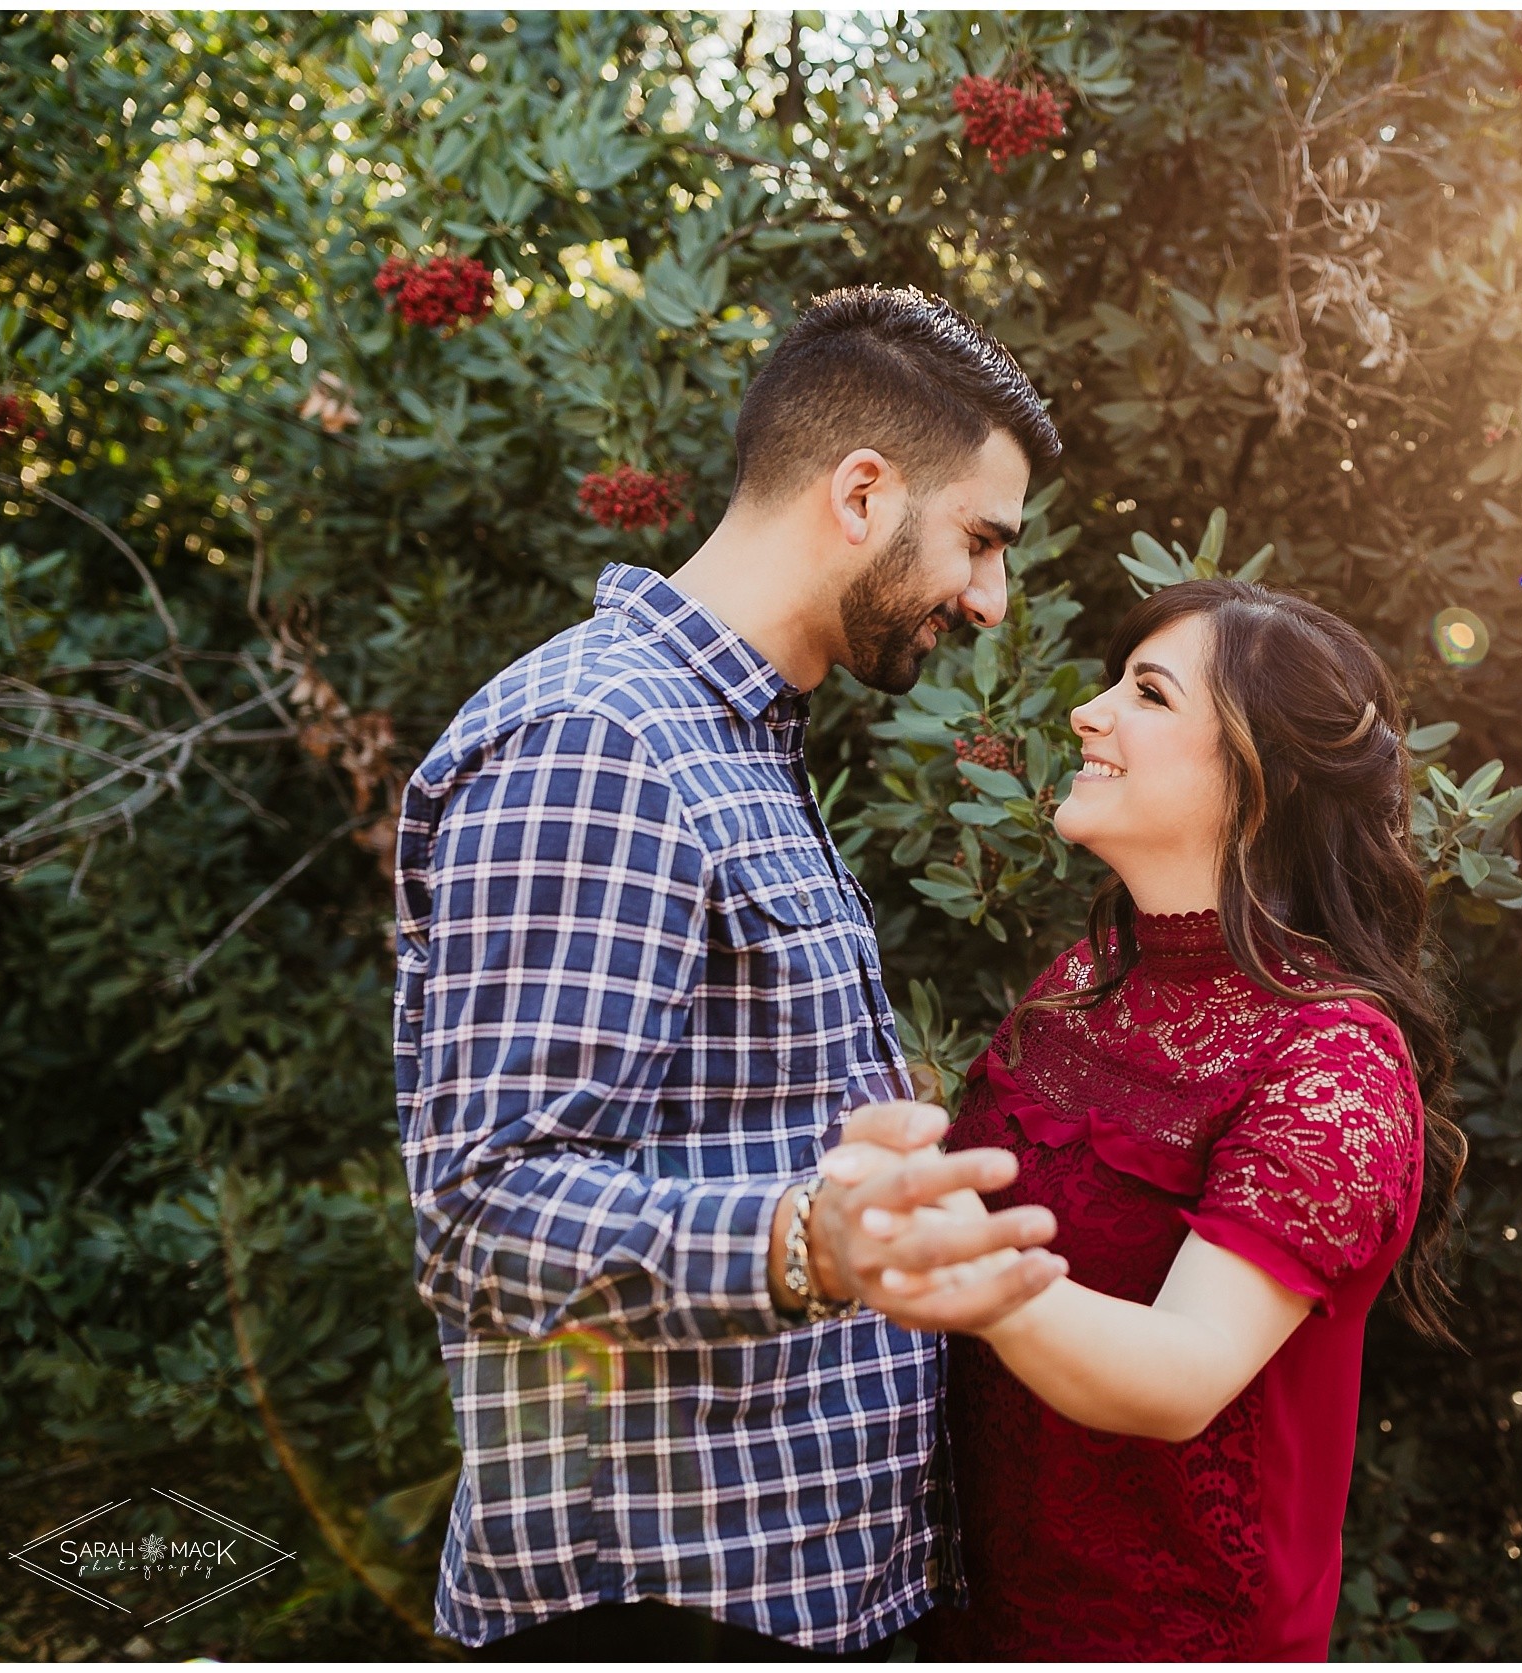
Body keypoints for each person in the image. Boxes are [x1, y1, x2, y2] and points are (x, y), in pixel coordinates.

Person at [391, 285, 1071, 1659]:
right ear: (864, 492)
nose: (995, 602)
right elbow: (483, 1215)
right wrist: (806, 1240)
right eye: (982, 542)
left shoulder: (733, 742)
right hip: (663, 1609)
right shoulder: (600, 744)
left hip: (805, 1594)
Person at [883, 579, 1471, 1660]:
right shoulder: (1081, 984)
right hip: (973, 1618)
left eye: (1147, 693)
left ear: (1263, 780)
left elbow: (1181, 1375)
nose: (1086, 711)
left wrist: (961, 1272)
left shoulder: (1333, 1056)